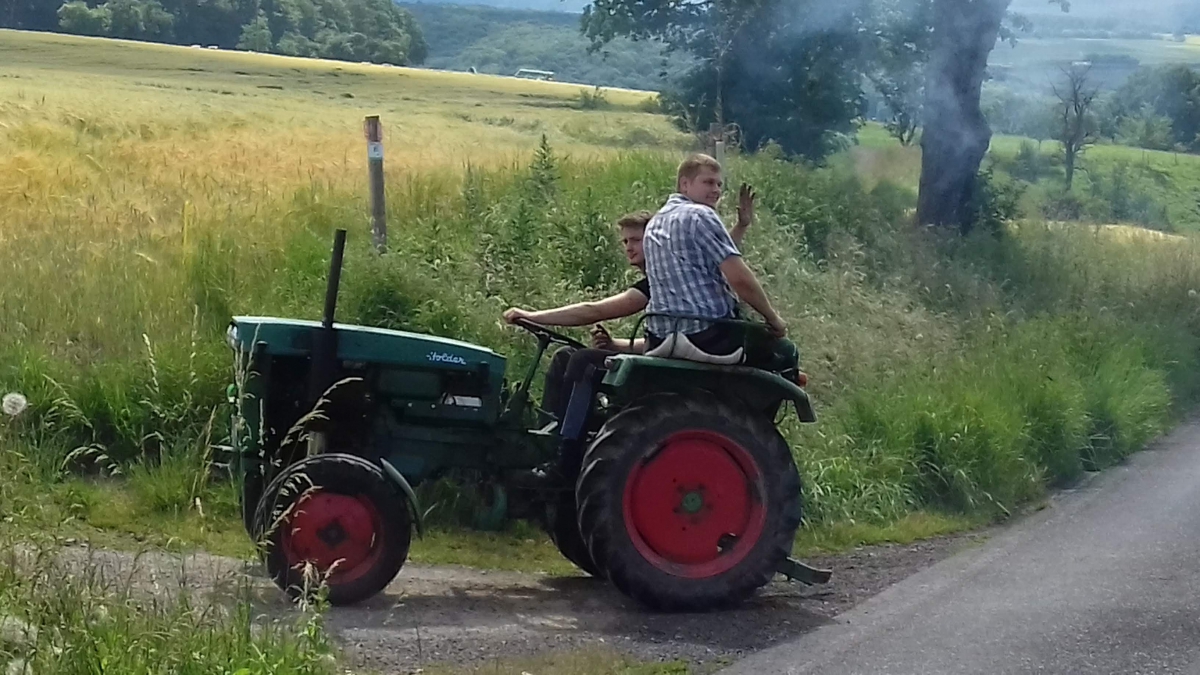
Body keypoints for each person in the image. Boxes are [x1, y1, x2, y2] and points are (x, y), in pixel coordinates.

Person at [642, 153, 801, 381]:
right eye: (707, 182)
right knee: (785, 353)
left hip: (660, 334)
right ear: (684, 184)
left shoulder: (656, 221)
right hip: (706, 333)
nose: (716, 190)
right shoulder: (700, 214)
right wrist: (773, 318)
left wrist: (742, 225)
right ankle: (753, 417)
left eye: (719, 184)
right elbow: (739, 279)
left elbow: (711, 257)